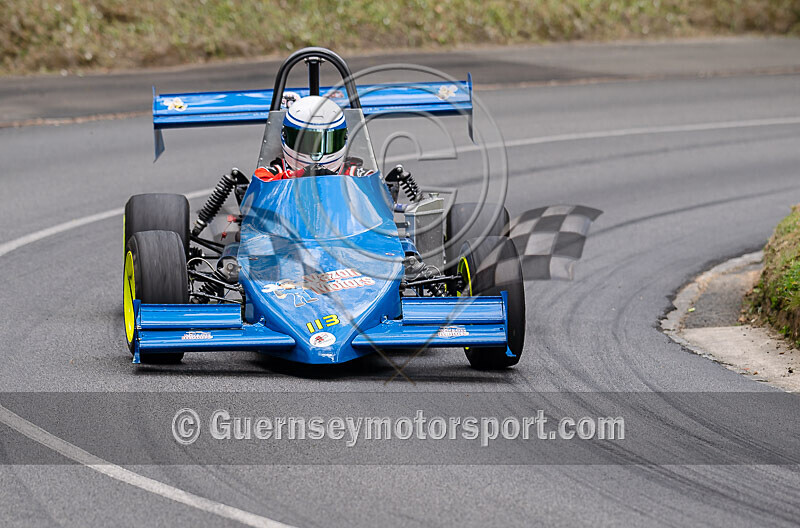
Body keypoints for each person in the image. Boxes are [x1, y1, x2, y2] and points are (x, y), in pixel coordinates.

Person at [254, 95, 371, 182]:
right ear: (286, 136)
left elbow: (378, 194)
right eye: (308, 142)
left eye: (326, 142)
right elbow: (260, 186)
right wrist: (300, 174)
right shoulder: (271, 174)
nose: (317, 154)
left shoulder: (358, 175)